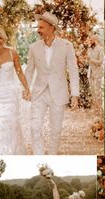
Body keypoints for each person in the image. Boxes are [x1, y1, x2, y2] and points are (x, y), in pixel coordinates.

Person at [25, 12, 80, 154]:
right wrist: (26, 88)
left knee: (56, 129)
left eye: (41, 27)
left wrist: (75, 94)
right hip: (39, 92)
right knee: (34, 127)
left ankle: (52, 156)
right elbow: (29, 71)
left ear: (52, 28)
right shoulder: (33, 47)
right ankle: (39, 155)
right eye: (38, 27)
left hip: (59, 92)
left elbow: (73, 71)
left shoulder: (67, 46)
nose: (38, 30)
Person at [0, 27, 31, 155]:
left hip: (10, 93)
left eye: (0, 37)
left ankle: (12, 152)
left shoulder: (12, 53)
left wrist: (27, 88)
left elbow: (19, 72)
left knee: (10, 123)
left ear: (4, 38)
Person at [87, 35, 103, 113]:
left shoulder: (100, 49)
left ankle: (100, 109)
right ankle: (95, 108)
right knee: (92, 91)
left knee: (98, 92)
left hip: (97, 73)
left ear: (95, 40)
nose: (90, 42)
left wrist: (91, 60)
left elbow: (100, 62)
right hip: (90, 72)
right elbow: (88, 60)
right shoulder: (90, 49)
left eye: (91, 40)